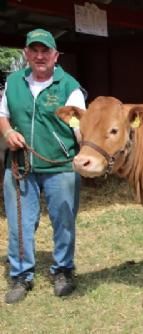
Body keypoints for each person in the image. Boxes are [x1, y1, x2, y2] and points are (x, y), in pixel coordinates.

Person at [0, 28, 86, 304]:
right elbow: (2, 115)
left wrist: (86, 155)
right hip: (20, 165)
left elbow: (80, 129)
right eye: (34, 50)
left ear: (55, 56)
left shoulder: (69, 86)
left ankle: (62, 270)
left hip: (60, 166)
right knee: (19, 222)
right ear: (26, 53)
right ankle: (21, 275)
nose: (39, 56)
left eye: (45, 51)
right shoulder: (13, 83)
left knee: (64, 221)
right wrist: (7, 133)